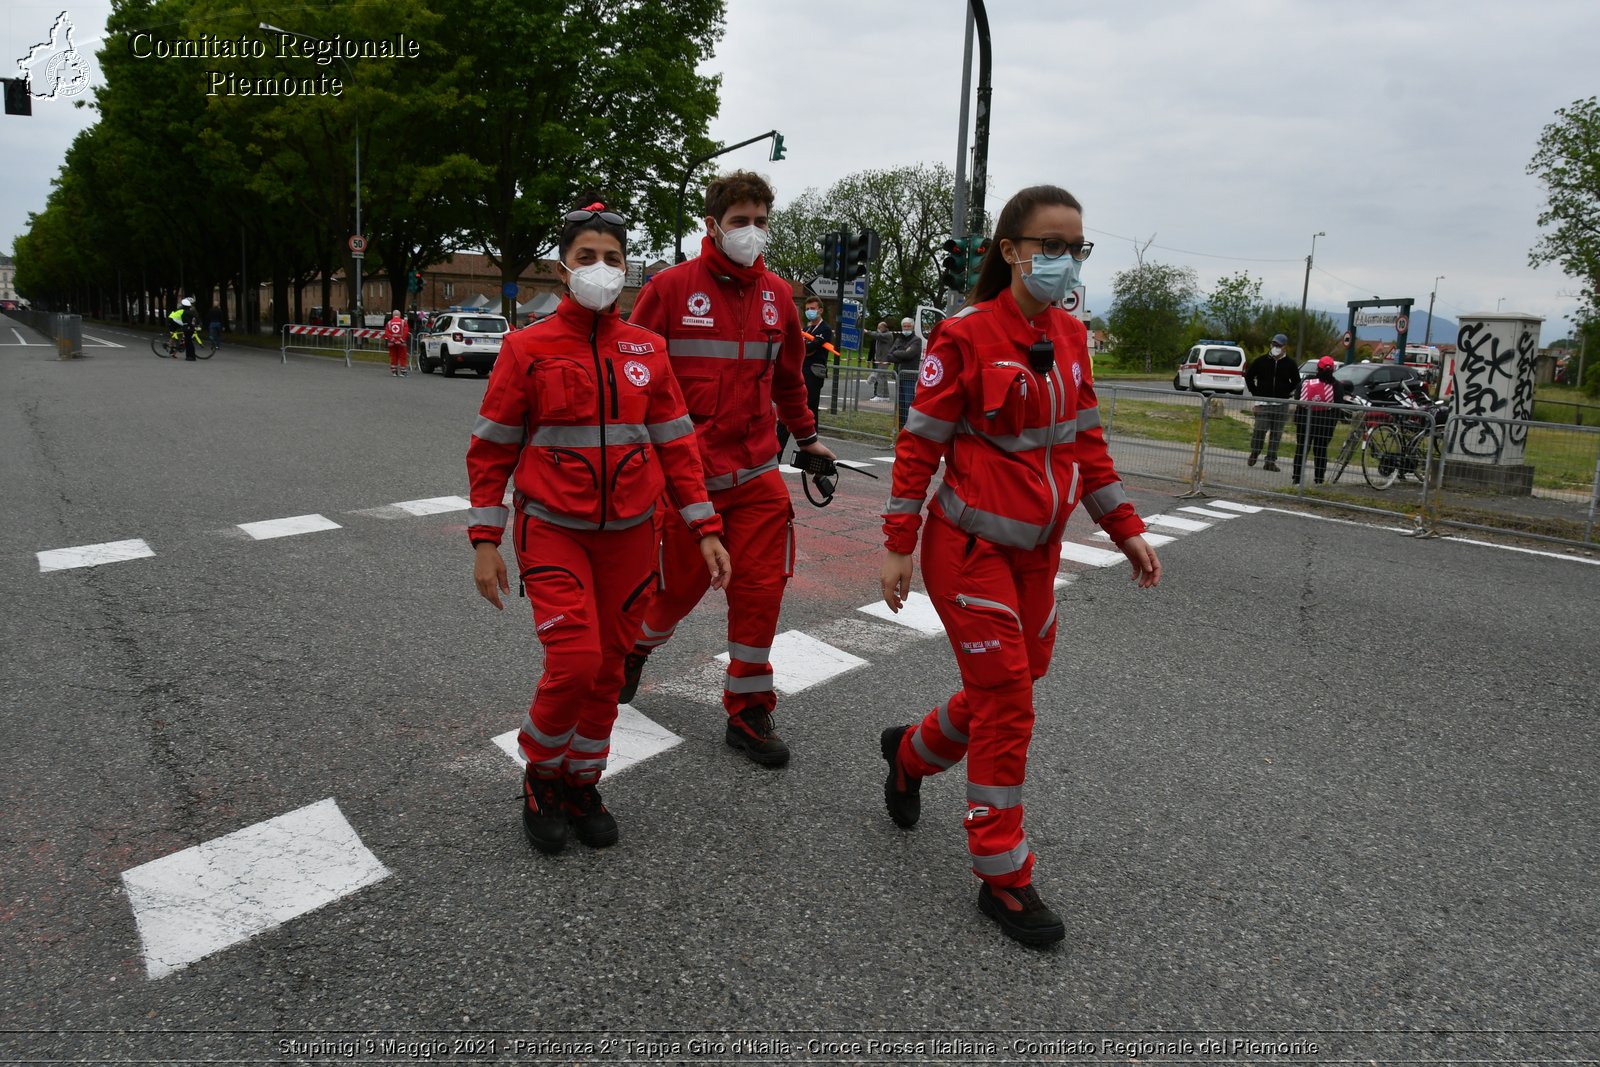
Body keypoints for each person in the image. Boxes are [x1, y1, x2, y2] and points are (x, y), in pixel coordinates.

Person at [877, 184, 1162, 947]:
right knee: (1007, 700)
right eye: (1051, 245)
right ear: (1010, 250)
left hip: (1037, 552)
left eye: (1077, 247)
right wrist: (899, 543)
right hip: (968, 549)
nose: (1065, 260)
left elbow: (1087, 446)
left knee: (1015, 678)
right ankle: (1002, 875)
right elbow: (920, 445)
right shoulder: (964, 336)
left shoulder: (1072, 337)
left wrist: (1124, 526)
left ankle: (909, 754)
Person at [467, 203, 731, 854]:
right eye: (587, 257)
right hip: (555, 529)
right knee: (576, 661)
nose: (601, 269)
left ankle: (582, 780)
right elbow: (492, 449)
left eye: (613, 258)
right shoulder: (526, 348)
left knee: (609, 669)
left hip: (632, 536)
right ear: (563, 270)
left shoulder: (648, 349)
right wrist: (484, 541)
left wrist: (704, 525)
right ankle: (541, 774)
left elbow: (676, 444)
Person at [620, 170, 835, 767]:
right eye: (740, 220)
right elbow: (631, 374)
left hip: (757, 476)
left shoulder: (779, 296)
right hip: (687, 480)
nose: (752, 231)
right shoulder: (668, 289)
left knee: (761, 593)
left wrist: (810, 441)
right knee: (674, 592)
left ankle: (748, 712)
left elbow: (789, 379)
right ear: (711, 224)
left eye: (761, 221)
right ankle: (635, 650)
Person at [778, 295, 833, 452]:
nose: (810, 311)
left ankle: (811, 448)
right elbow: (798, 347)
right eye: (807, 309)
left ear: (820, 310)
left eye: (813, 309)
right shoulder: (806, 329)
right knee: (793, 407)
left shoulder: (824, 329)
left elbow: (809, 349)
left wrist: (805, 347)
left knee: (809, 409)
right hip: (802, 370)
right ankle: (780, 450)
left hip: (814, 372)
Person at [1292, 355, 1352, 485]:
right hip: (1324, 424)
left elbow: (1297, 397)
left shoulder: (1307, 381)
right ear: (1333, 370)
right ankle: (1319, 479)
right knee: (1320, 451)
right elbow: (1339, 404)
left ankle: (1296, 478)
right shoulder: (1336, 385)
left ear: (1317, 368)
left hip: (1304, 421)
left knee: (1302, 449)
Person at [1244, 332, 1298, 471]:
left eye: (1278, 345)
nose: (1275, 347)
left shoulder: (1290, 364)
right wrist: (1256, 393)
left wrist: (1287, 392)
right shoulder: (1261, 361)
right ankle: (1255, 451)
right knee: (1259, 430)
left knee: (1276, 434)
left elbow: (1296, 382)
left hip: (1281, 405)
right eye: (1274, 344)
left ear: (1284, 347)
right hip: (1263, 404)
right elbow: (1249, 376)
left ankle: (1270, 461)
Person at [887, 316, 923, 428]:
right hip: (898, 375)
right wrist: (902, 353)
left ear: (912, 327)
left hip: (909, 376)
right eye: (904, 326)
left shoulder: (917, 340)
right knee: (900, 404)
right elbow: (889, 355)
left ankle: (909, 427)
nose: (906, 328)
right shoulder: (898, 339)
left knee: (908, 403)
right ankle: (901, 428)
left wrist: (897, 353)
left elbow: (909, 355)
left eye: (908, 326)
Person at [867, 320, 894, 399]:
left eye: (879, 328)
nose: (878, 329)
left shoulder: (887, 335)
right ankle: (885, 396)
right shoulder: (880, 336)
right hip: (878, 360)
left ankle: (880, 395)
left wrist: (867, 332)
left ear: (884, 327)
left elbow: (878, 336)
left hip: (883, 360)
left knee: (881, 377)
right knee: (882, 377)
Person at [384, 309, 410, 377]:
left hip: (392, 343)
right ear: (400, 315)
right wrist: (401, 340)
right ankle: (403, 372)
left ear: (393, 315)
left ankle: (394, 372)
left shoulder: (389, 323)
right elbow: (406, 332)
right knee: (402, 357)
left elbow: (387, 333)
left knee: (393, 357)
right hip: (402, 343)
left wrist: (393, 340)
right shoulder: (403, 322)